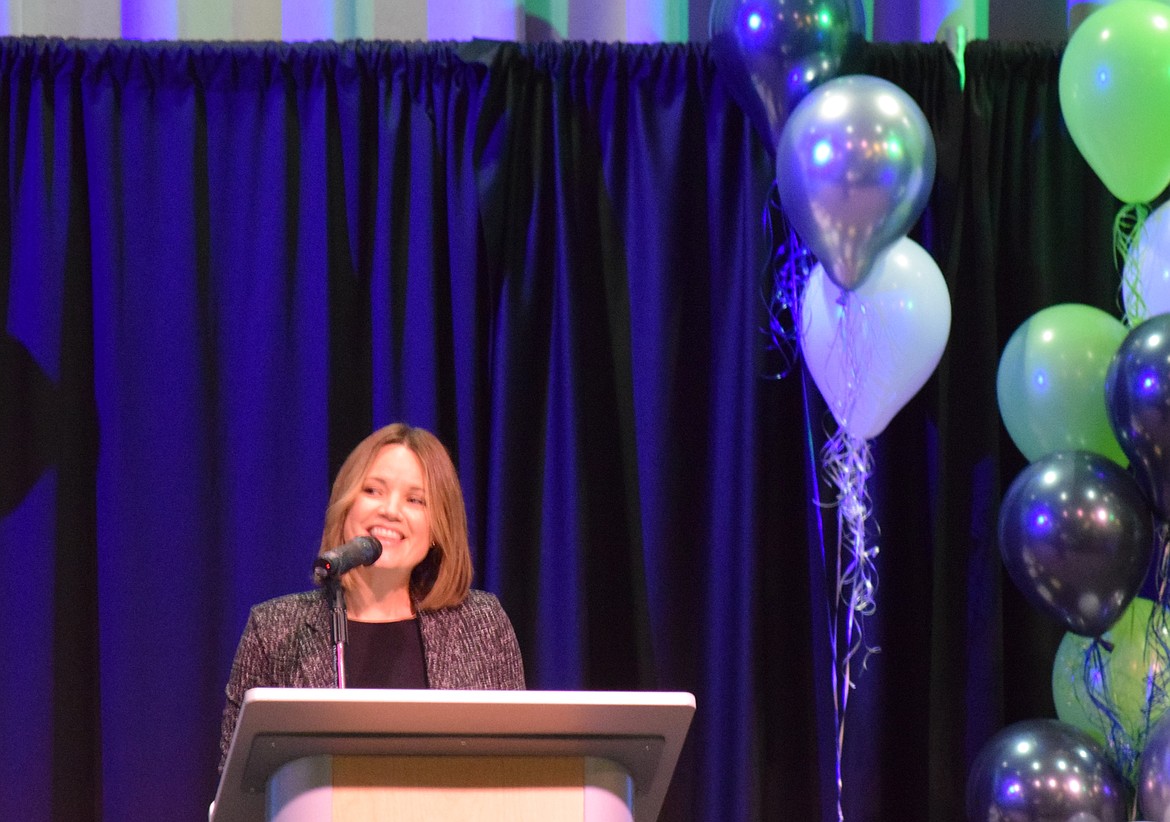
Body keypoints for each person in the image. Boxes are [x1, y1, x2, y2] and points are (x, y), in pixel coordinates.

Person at [218, 423, 525, 771]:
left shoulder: (482, 623)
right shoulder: (274, 629)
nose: (390, 510)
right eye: (373, 490)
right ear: (345, 505)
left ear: (437, 529)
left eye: (415, 500)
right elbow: (240, 781)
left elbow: (513, 768)